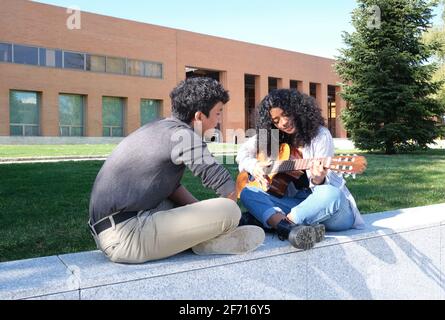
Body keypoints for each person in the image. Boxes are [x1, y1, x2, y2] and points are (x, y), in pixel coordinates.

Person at [88, 77, 265, 264]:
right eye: (218, 113)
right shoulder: (184, 136)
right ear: (199, 116)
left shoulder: (158, 127)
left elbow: (172, 189)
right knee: (229, 209)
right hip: (127, 236)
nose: (219, 121)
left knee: (188, 205)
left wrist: (205, 218)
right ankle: (210, 240)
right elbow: (224, 184)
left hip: (111, 230)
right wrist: (226, 223)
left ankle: (204, 238)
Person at [237, 89, 365, 250]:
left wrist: (319, 179)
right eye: (276, 121)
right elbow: (242, 153)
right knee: (248, 192)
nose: (283, 123)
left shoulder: (320, 135)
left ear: (297, 109)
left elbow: (326, 190)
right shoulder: (273, 138)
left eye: (286, 114)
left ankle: (282, 225)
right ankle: (296, 229)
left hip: (330, 210)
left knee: (330, 193)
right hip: (297, 203)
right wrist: (254, 166)